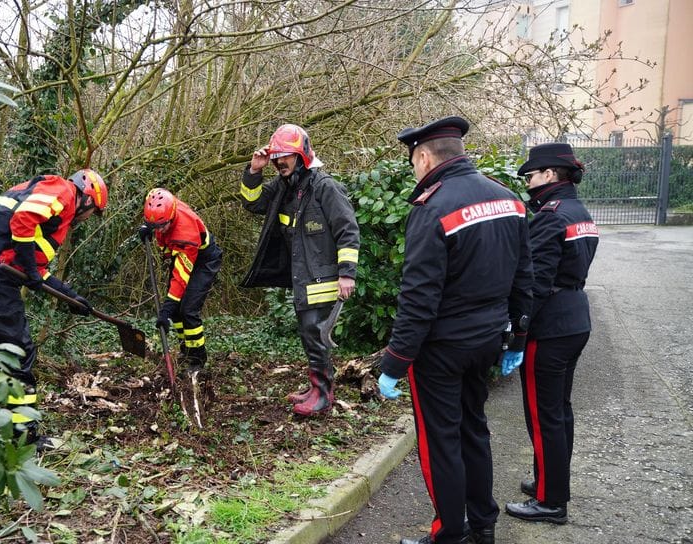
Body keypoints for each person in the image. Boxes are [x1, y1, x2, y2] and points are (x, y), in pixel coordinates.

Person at [376, 116, 533, 544]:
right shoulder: (508, 198)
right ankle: (483, 526)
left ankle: (449, 534)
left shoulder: (433, 208)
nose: (414, 170)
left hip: (442, 350)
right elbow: (524, 276)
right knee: (473, 430)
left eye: (413, 161)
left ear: (425, 157)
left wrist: (395, 362)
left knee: (441, 441)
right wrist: (517, 338)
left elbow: (418, 298)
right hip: (488, 340)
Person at [0, 168, 108, 446]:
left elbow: (34, 268)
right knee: (19, 351)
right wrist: (31, 270)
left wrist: (72, 297)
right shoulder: (63, 192)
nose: (87, 218)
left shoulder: (47, 208)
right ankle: (23, 435)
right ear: (87, 198)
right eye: (92, 212)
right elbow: (23, 221)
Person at [504, 143, 598, 525]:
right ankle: (550, 482)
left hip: (551, 328)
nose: (528, 182)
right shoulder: (579, 212)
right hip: (575, 319)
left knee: (544, 417)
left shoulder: (551, 217)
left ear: (549, 174)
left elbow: (535, 284)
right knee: (560, 411)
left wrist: (518, 332)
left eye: (531, 175)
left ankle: (550, 502)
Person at [239, 123, 360, 417]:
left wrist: (347, 274)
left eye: (286, 156)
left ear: (302, 156)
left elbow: (348, 231)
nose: (280, 162)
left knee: (316, 335)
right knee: (309, 335)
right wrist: (254, 171)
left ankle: (323, 396)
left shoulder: (325, 187)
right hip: (302, 277)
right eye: (277, 157)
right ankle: (316, 387)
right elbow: (252, 202)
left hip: (322, 278)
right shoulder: (284, 186)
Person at [138, 188, 223, 373]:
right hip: (179, 253)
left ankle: (197, 358)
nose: (158, 231)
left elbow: (180, 279)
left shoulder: (186, 235)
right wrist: (148, 227)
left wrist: (166, 310)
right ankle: (186, 350)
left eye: (161, 227)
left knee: (188, 310)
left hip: (203, 260)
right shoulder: (164, 204)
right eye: (155, 226)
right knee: (176, 312)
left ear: (171, 218)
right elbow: (156, 217)